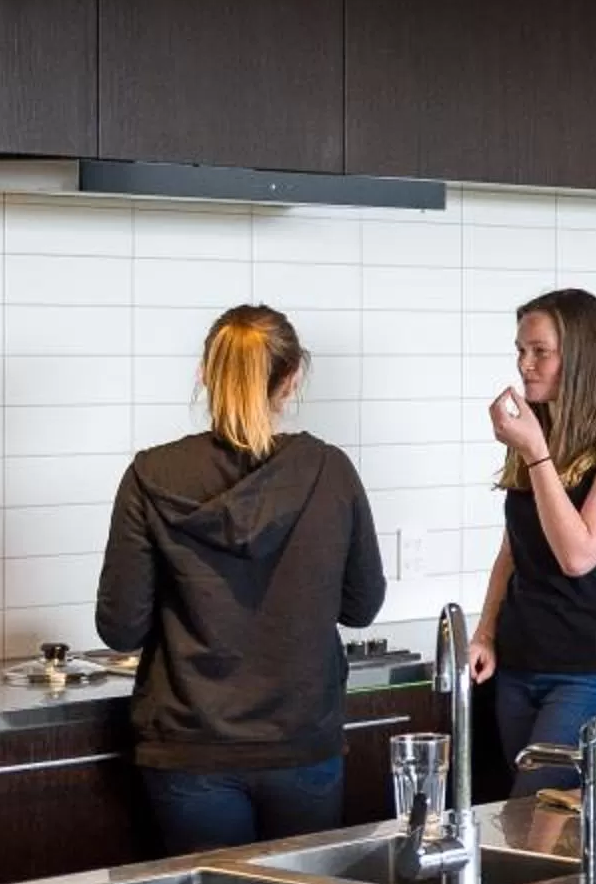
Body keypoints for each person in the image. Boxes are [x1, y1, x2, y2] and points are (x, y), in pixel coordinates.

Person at [97, 305, 385, 852]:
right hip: (302, 744)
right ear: (293, 376)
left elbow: (120, 627)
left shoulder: (149, 476)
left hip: (188, 748)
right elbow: (362, 605)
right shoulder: (330, 471)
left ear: (207, 372)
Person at [468, 287, 596, 794]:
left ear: (578, 357)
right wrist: (486, 632)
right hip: (521, 663)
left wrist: (536, 454)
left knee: (542, 813)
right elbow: (515, 547)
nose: (525, 365)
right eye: (520, 350)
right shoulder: (542, 432)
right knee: (527, 827)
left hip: (593, 668)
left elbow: (578, 554)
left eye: (540, 352)